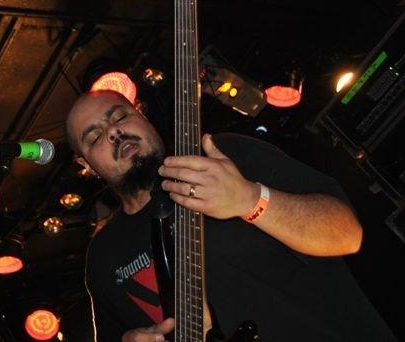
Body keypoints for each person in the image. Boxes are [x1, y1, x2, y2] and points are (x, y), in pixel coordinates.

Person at [65, 89, 397, 342]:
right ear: (85, 165)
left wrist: (250, 199)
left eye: (120, 116)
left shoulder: (222, 156)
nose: (113, 133)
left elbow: (347, 234)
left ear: (142, 115)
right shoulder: (103, 258)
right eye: (94, 137)